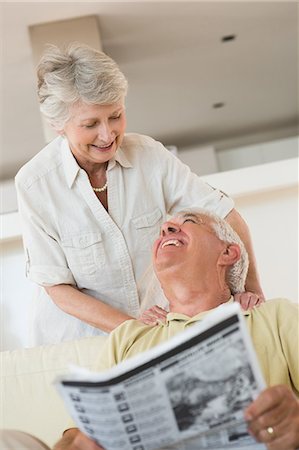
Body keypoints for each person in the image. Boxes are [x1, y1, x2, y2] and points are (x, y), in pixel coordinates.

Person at [15, 43, 264, 346]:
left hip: (156, 332)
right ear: (58, 126)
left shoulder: (149, 156)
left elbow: (224, 215)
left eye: (115, 116)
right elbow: (58, 289)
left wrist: (250, 293)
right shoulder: (34, 184)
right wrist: (137, 331)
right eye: (90, 124)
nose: (108, 135)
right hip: (80, 342)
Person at [54, 209, 299, 450]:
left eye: (189, 221)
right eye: (162, 230)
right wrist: (75, 445)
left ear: (227, 252)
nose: (166, 229)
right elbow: (73, 438)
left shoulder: (275, 316)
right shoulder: (128, 336)